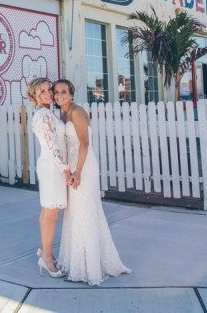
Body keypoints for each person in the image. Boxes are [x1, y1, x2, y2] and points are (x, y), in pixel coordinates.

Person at [53, 78, 131, 285]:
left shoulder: (77, 112)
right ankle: (77, 264)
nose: (59, 95)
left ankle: (90, 270)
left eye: (63, 91)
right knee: (74, 213)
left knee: (85, 212)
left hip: (84, 166)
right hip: (72, 164)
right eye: (56, 92)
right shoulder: (63, 113)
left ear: (71, 94)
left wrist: (77, 172)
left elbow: (85, 143)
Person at [27, 77, 71, 278]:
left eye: (48, 89)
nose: (48, 93)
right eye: (42, 91)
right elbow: (53, 145)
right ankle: (46, 258)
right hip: (53, 167)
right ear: (34, 96)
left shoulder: (46, 113)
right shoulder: (44, 114)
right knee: (51, 212)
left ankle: (45, 250)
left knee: (48, 210)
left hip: (49, 165)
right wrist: (65, 169)